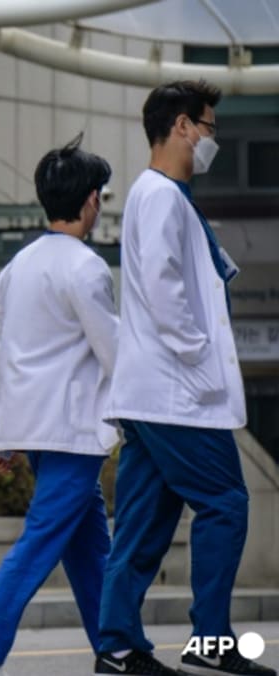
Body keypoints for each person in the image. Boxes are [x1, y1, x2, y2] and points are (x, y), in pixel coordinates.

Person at [95, 80, 274, 676]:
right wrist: (200, 361)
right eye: (209, 127)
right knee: (225, 503)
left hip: (153, 395)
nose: (210, 140)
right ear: (181, 127)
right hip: (177, 394)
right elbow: (167, 291)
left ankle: (118, 647)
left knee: (144, 521)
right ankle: (211, 641)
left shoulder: (159, 195)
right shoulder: (163, 197)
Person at [0, 134, 117, 676]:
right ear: (91, 201)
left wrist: (0, 434)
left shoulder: (17, 267)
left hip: (35, 432)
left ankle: (117, 648)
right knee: (42, 541)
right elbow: (114, 353)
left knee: (89, 547)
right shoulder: (87, 268)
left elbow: (3, 354)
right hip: (74, 432)